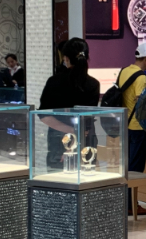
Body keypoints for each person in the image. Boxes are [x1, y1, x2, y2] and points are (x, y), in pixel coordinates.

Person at [39, 38, 101, 170]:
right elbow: (88, 118)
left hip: (60, 140)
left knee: (57, 179)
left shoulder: (54, 82)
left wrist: (71, 132)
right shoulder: (93, 84)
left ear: (65, 58)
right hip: (86, 142)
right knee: (87, 177)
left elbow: (44, 115)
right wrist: (78, 133)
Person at [120, 43, 146, 216]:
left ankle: (127, 203)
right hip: (137, 127)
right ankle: (132, 205)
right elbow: (142, 103)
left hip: (125, 125)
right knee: (136, 169)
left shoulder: (124, 71)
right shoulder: (141, 77)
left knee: (128, 167)